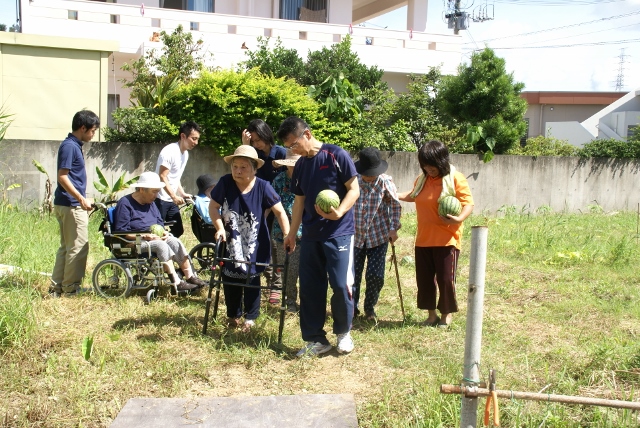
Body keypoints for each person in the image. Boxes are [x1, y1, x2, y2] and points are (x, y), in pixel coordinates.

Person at [278, 117, 360, 357]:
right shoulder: (300, 166)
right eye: (288, 147)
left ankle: (343, 333)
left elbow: (354, 189)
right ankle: (316, 339)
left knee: (341, 285)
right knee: (310, 287)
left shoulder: (336, 155)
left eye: (294, 144)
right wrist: (291, 234)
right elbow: (299, 201)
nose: (293, 150)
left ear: (307, 134)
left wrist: (340, 212)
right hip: (310, 235)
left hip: (339, 232)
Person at [208, 145, 290, 333]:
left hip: (254, 240)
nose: (238, 171)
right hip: (230, 239)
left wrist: (287, 235)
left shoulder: (263, 186)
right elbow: (213, 207)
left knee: (252, 278)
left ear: (254, 169)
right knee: (229, 276)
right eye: (235, 166)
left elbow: (280, 212)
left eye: (243, 167)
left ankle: (250, 317)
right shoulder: (225, 182)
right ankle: (233, 315)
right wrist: (219, 228)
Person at [398, 140, 474, 328]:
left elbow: (468, 203)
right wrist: (394, 194)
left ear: (441, 160)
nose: (428, 169)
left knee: (446, 279)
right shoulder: (422, 180)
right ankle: (431, 315)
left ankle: (446, 314)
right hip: (423, 239)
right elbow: (413, 195)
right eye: (424, 165)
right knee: (425, 280)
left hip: (447, 239)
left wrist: (458, 219)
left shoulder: (455, 178)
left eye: (431, 165)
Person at [112, 172, 207, 294]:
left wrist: (164, 232)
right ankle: (176, 283)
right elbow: (122, 232)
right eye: (154, 191)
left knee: (174, 241)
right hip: (134, 242)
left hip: (153, 238)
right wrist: (145, 236)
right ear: (142, 189)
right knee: (160, 245)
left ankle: (190, 276)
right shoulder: (125, 203)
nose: (156, 195)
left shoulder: (151, 203)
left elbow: (159, 222)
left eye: (157, 191)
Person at [50, 110, 100, 297]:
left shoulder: (72, 145)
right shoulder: (70, 146)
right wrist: (81, 199)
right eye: (93, 131)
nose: (93, 134)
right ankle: (70, 289)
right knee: (78, 247)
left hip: (67, 203)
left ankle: (57, 288)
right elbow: (62, 177)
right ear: (83, 128)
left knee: (66, 247)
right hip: (71, 205)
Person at [352, 147, 402, 321]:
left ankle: (370, 309)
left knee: (375, 275)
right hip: (356, 236)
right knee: (353, 275)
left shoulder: (385, 181)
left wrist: (393, 228)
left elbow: (395, 206)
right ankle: (352, 308)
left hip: (378, 235)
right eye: (367, 174)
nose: (370, 177)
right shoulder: (353, 180)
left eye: (372, 174)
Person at [241, 119, 287, 305]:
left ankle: (277, 285)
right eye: (253, 141)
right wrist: (245, 145)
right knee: (261, 243)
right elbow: (244, 170)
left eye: (258, 140)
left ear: (266, 135)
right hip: (260, 207)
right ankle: (268, 281)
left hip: (280, 207)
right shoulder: (254, 155)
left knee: (277, 246)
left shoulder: (281, 153)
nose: (257, 144)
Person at [154, 121, 202, 238]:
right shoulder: (170, 151)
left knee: (178, 229)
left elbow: (175, 176)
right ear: (183, 136)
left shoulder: (185, 154)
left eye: (197, 139)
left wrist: (182, 193)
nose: (196, 142)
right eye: (193, 139)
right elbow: (162, 176)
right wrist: (174, 196)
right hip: (159, 198)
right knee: (157, 231)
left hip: (171, 199)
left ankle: (167, 245)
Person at [270, 150, 303, 313]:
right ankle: (290, 301)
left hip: (306, 231)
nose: (293, 168)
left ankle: (307, 302)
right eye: (291, 165)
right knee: (288, 269)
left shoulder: (309, 179)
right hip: (282, 232)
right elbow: (271, 203)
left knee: (306, 270)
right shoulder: (279, 180)